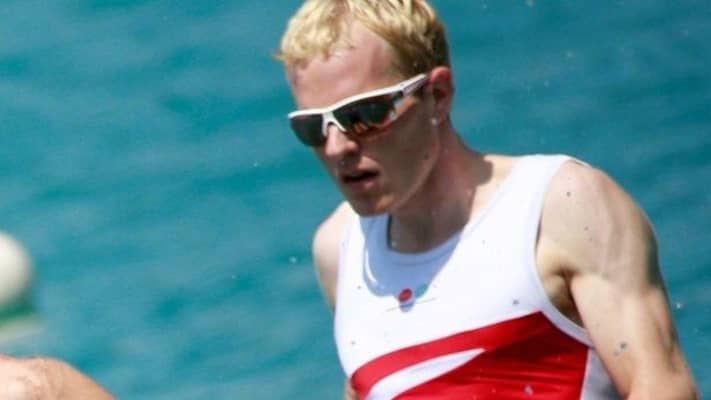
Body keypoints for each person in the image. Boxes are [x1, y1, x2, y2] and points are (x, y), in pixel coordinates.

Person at [276, 0, 699, 398]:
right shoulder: (340, 252)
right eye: (313, 128)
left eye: (363, 116)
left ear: (438, 95)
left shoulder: (561, 206)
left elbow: (663, 386)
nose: (337, 148)